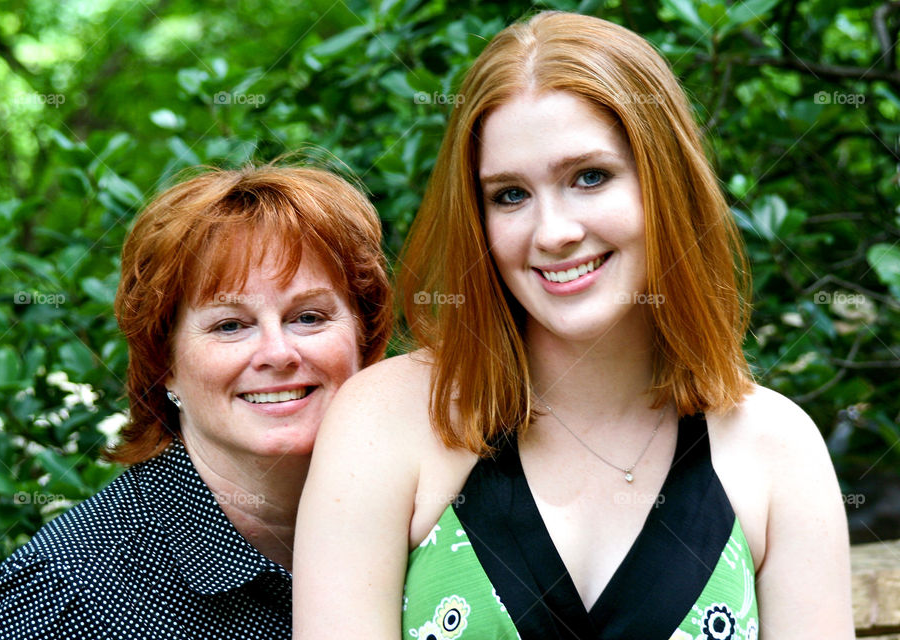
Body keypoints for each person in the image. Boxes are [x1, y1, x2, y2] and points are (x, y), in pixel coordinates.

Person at [293, 12, 854, 640]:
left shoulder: (776, 448)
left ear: (666, 187)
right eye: (510, 194)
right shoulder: (385, 421)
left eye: (590, 177)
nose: (553, 232)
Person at [0, 164, 392, 640]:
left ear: (363, 339)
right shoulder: (62, 596)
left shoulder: (421, 528)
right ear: (164, 363)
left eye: (308, 317)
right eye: (230, 325)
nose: (278, 353)